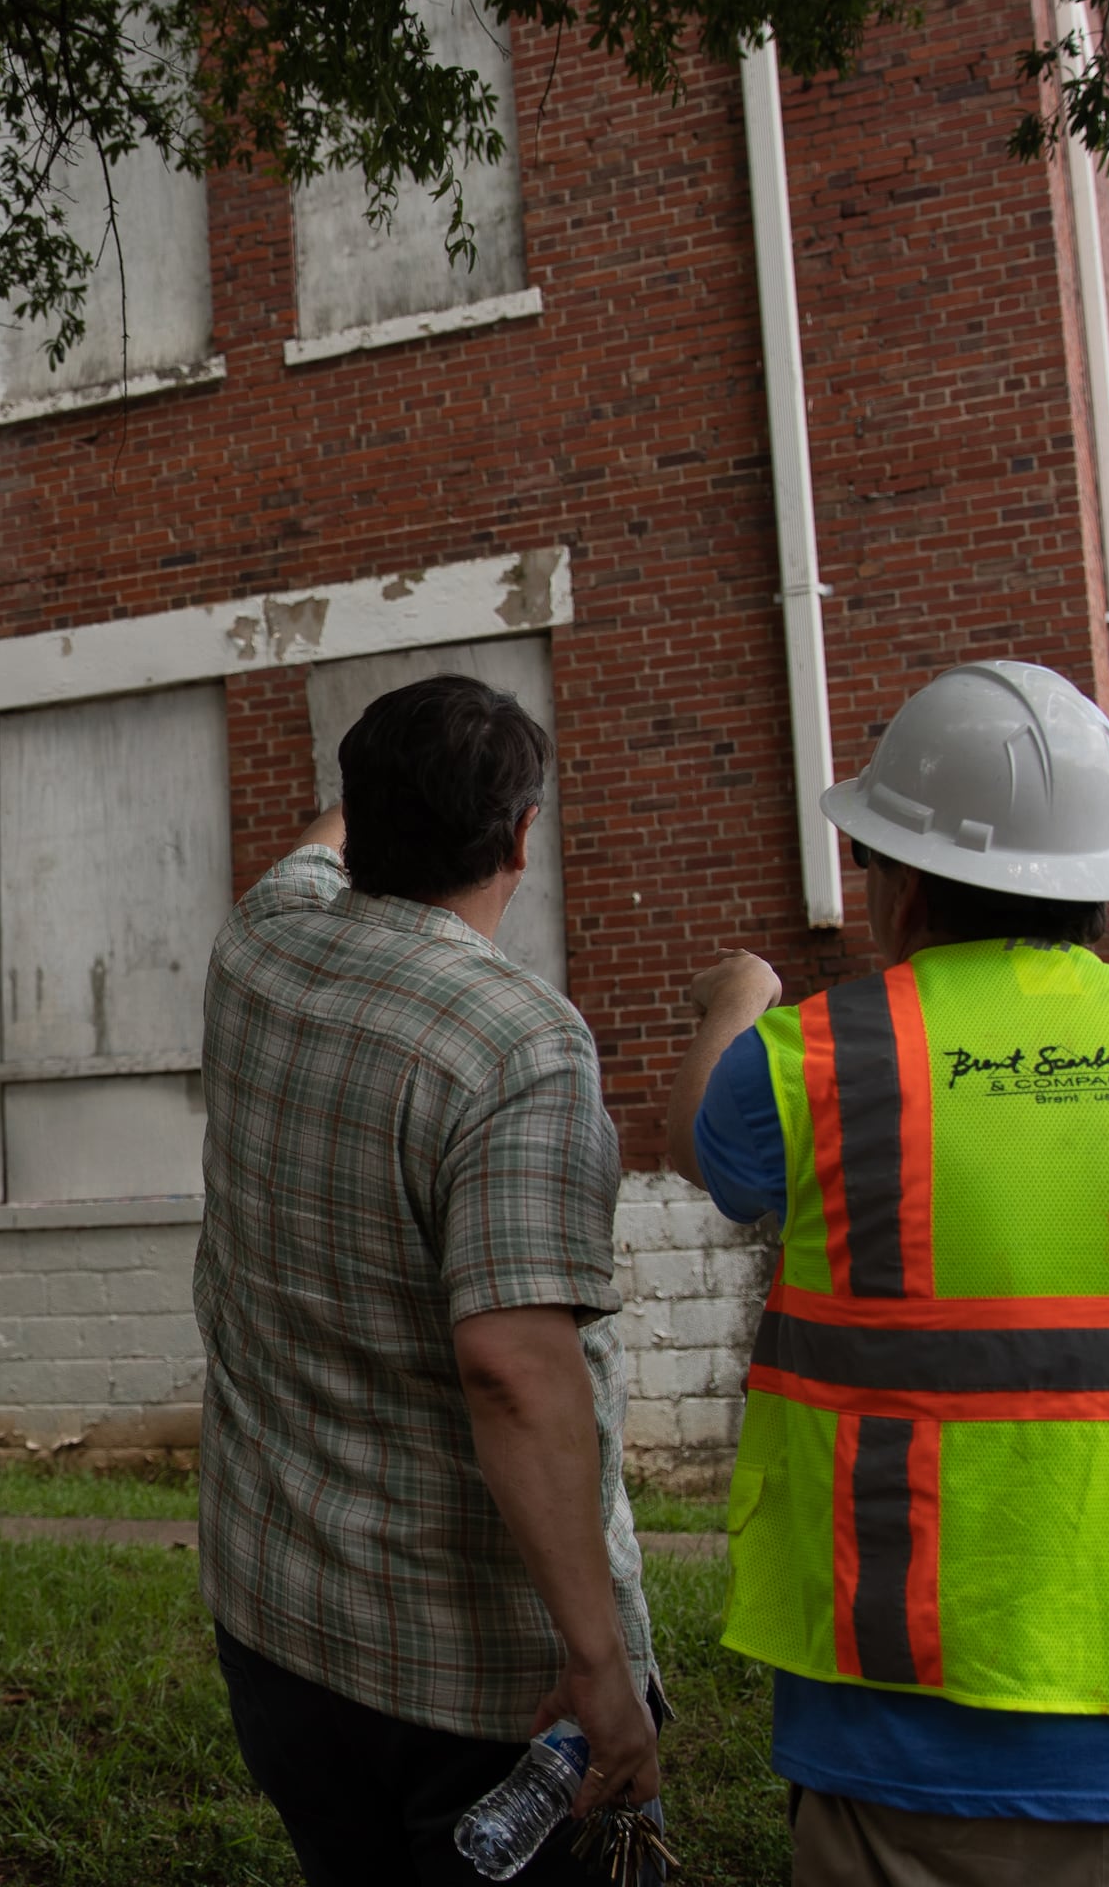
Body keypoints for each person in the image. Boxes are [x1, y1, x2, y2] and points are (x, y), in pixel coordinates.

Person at [665, 660, 1109, 1886]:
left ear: (903, 888)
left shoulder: (821, 1059)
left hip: (912, 1757)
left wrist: (739, 994)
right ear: (1099, 889)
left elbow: (706, 1149)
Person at [198, 671, 663, 1885]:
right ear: (520, 836)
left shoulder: (262, 939)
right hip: (471, 1689)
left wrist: (368, 794)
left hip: (278, 1630)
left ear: (359, 813)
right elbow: (513, 1369)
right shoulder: (520, 1043)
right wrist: (602, 1668)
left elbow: (313, 850)